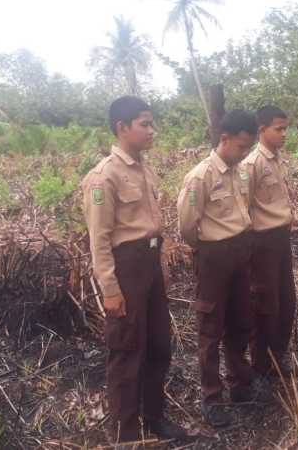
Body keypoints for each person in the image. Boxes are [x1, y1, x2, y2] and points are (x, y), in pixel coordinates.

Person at [82, 96, 189, 445]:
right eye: (145, 124)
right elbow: (99, 240)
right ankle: (126, 433)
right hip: (125, 269)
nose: (151, 130)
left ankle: (155, 417)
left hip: (150, 266)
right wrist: (110, 289)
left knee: (159, 345)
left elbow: (152, 228)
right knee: (127, 351)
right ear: (122, 128)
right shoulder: (103, 177)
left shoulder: (144, 169)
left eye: (151, 123)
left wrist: (160, 268)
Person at [177, 109, 272, 429]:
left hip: (240, 251)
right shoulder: (200, 176)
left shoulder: (240, 172)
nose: (245, 154)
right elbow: (187, 226)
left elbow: (244, 209)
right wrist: (207, 249)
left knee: (240, 321)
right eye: (241, 147)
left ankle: (239, 384)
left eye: (249, 148)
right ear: (225, 139)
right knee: (210, 328)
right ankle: (211, 397)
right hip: (213, 256)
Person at [243, 105, 296, 380]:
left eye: (286, 128)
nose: (284, 134)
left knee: (287, 301)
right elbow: (243, 206)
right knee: (266, 304)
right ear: (261, 130)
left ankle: (277, 357)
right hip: (261, 242)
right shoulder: (253, 164)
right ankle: (261, 365)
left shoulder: (276, 159)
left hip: (280, 239)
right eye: (279, 129)